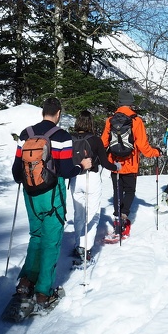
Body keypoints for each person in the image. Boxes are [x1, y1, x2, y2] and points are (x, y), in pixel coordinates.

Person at [11, 98, 92, 312]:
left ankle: (26, 282)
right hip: (52, 194)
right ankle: (43, 293)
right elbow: (65, 171)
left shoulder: (25, 134)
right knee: (51, 241)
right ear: (57, 114)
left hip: (30, 195)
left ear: (42, 113)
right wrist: (81, 166)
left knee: (36, 236)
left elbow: (15, 172)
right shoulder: (62, 136)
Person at [101, 88, 161, 238]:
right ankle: (123, 217)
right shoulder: (136, 120)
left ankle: (116, 218)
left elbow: (103, 142)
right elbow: (143, 146)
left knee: (117, 191)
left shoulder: (110, 120)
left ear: (119, 103)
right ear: (131, 103)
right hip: (131, 163)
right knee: (129, 191)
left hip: (114, 163)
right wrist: (156, 152)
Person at [68, 111, 121, 262]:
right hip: (91, 178)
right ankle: (86, 248)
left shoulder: (69, 138)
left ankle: (79, 245)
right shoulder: (95, 140)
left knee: (79, 215)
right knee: (93, 214)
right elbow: (105, 163)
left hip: (74, 177)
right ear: (90, 123)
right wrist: (116, 166)